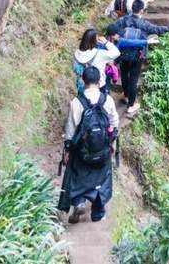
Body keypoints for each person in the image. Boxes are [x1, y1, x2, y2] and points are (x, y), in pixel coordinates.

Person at [58, 65, 119, 224]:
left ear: (82, 80)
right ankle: (98, 211)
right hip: (102, 150)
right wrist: (111, 141)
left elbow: (71, 128)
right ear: (100, 81)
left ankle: (79, 202)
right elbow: (114, 122)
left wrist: (68, 149)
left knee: (77, 175)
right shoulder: (108, 100)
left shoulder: (76, 103)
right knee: (101, 178)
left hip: (81, 151)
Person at [114, 0, 169, 117]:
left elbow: (114, 31)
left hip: (123, 53)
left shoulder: (123, 20)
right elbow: (158, 30)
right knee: (133, 79)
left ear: (132, 8)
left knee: (125, 75)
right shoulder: (144, 24)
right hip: (138, 55)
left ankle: (126, 95)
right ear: (142, 10)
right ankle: (131, 105)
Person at [73, 28, 121, 96]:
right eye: (96, 38)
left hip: (83, 85)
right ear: (94, 41)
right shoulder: (99, 54)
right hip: (98, 86)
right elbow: (117, 53)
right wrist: (106, 42)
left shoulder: (77, 53)